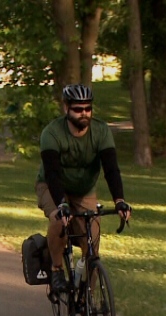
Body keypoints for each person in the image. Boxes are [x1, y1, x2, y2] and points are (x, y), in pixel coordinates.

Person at [36, 83, 131, 293]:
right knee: (58, 220)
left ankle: (88, 300)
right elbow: (52, 174)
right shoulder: (51, 133)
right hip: (52, 187)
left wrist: (119, 201)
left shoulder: (101, 131)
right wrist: (61, 204)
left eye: (88, 108)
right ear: (66, 109)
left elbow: (111, 169)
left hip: (84, 190)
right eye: (78, 109)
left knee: (92, 248)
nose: (84, 114)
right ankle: (56, 268)